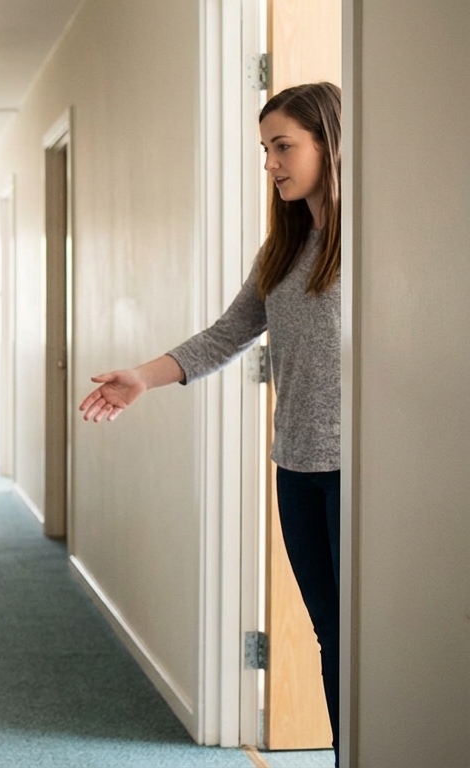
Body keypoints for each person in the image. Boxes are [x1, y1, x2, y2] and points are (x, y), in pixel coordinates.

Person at [79, 82, 343, 756]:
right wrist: (144, 374)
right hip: (297, 468)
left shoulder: (374, 244)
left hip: (360, 476)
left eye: (282, 146)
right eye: (265, 149)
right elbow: (226, 336)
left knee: (366, 637)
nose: (270, 163)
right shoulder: (282, 251)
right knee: (331, 633)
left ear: (329, 143)